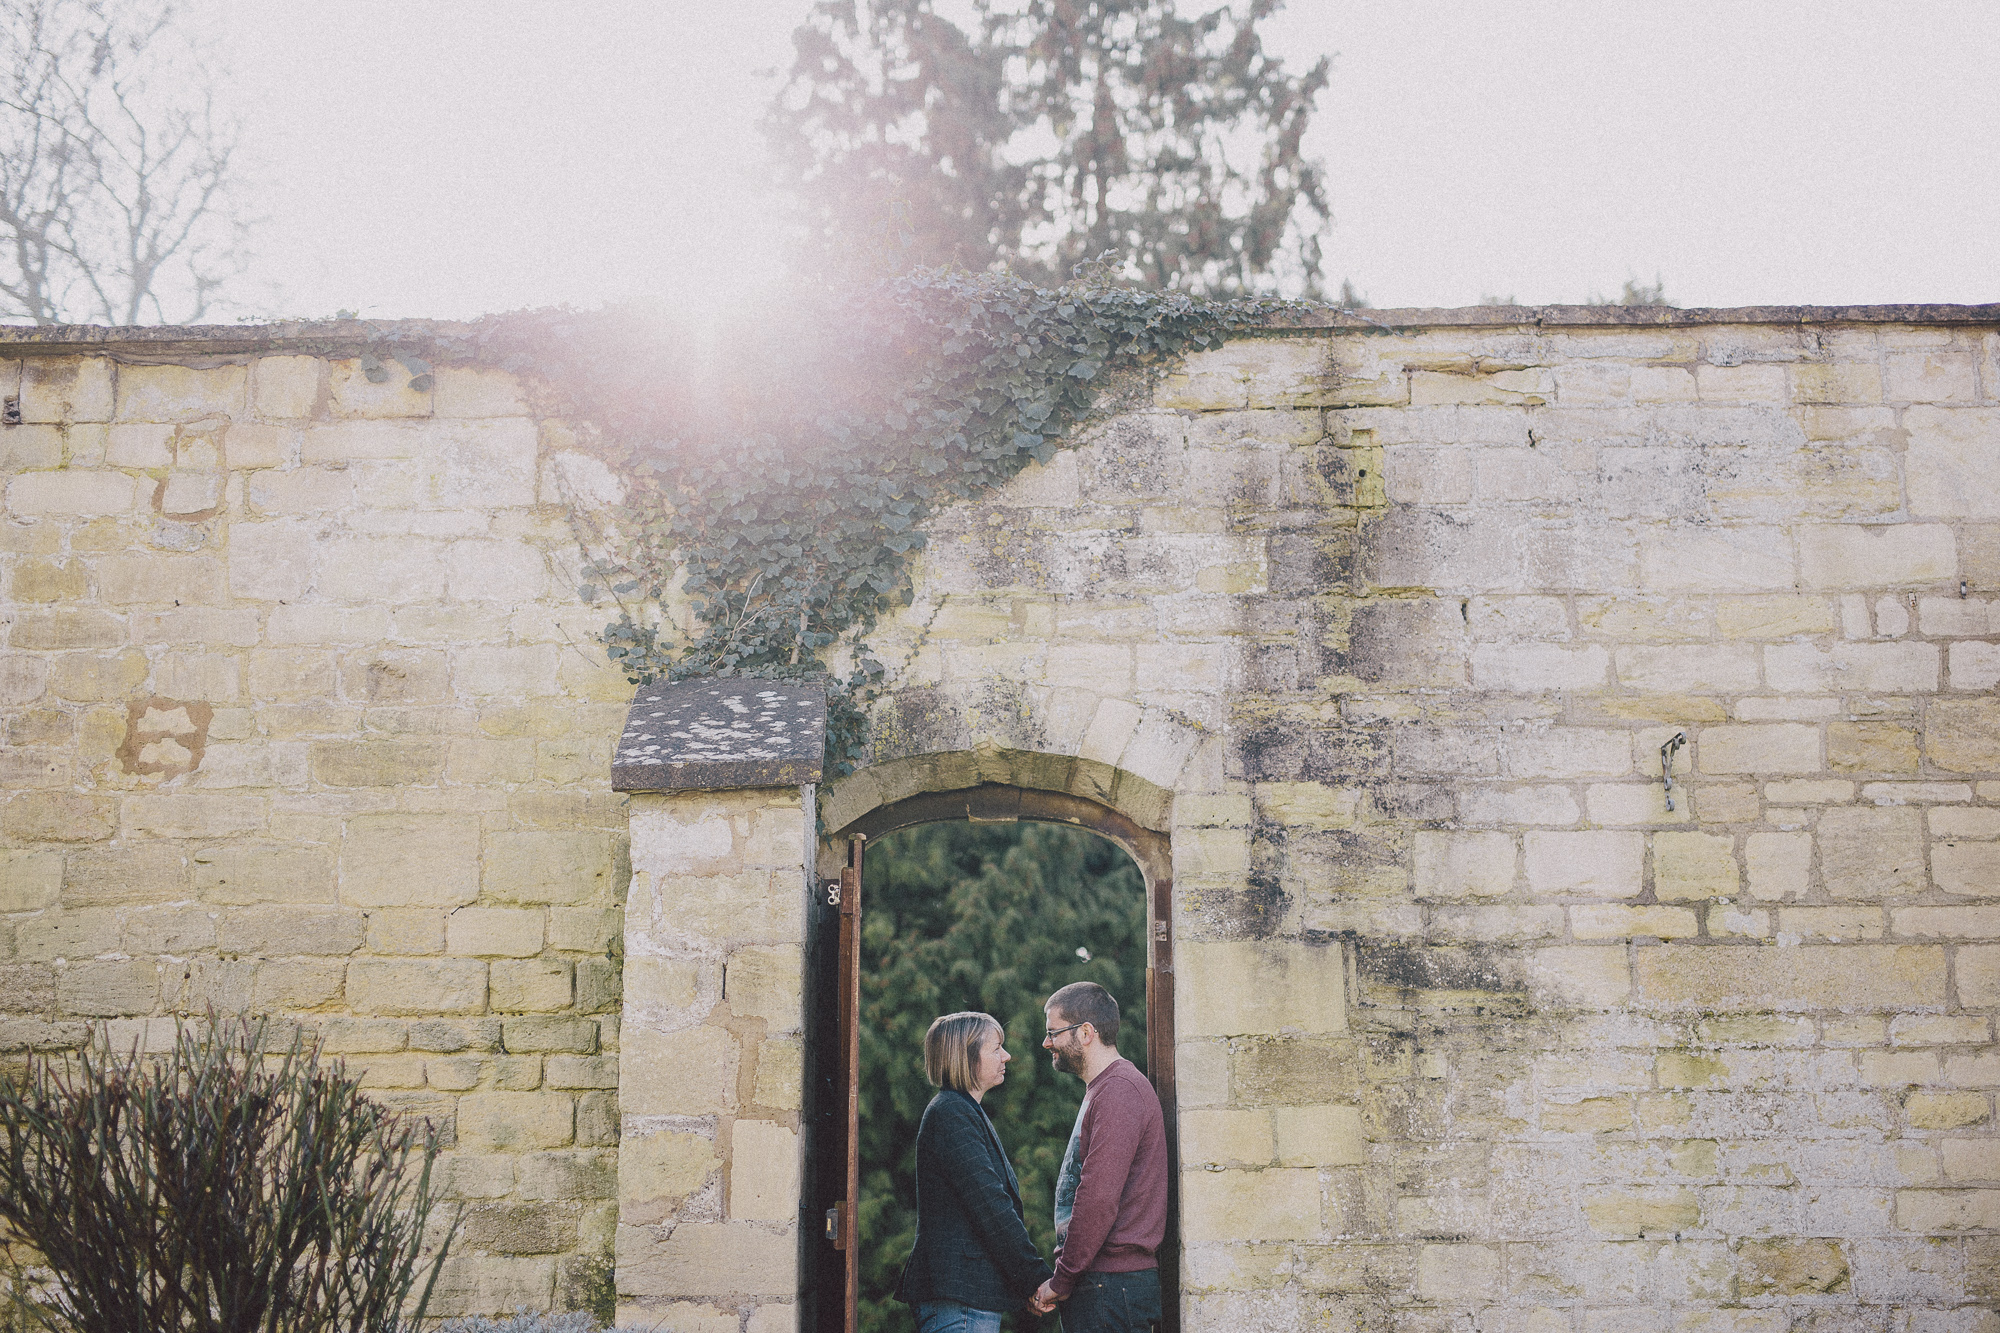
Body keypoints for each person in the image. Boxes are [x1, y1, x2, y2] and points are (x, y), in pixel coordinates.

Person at [895, 1010, 1054, 1333]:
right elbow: (991, 1208)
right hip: (959, 1302)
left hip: (965, 1299)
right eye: (996, 1048)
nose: (1006, 1056)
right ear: (966, 1058)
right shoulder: (951, 1113)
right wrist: (1035, 1279)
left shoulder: (962, 1110)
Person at [1029, 981, 1168, 1332]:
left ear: (1086, 1032)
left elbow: (1097, 1197)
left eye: (1053, 1032)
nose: (1047, 1043)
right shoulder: (1105, 1088)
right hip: (1104, 1285)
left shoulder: (1119, 1090)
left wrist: (1062, 1280)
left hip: (1111, 1288)